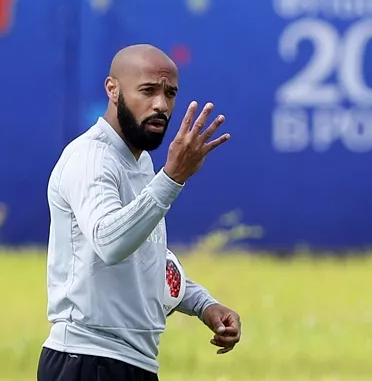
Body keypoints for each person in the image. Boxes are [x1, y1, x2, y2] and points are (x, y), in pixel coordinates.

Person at [37, 44, 242, 381]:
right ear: (112, 89)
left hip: (132, 362)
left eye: (170, 93)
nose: (161, 104)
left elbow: (145, 262)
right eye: (147, 90)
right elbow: (111, 243)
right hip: (88, 359)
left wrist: (204, 305)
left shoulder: (141, 162)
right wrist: (172, 179)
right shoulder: (91, 158)